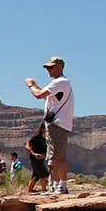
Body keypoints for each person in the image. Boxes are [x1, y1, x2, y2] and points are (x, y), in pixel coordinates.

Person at [25, 56, 74, 194]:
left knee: (59, 156)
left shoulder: (61, 82)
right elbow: (47, 96)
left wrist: (30, 85)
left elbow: (38, 95)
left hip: (58, 124)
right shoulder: (60, 84)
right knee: (54, 156)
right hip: (56, 124)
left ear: (60, 67)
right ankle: (57, 185)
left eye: (50, 67)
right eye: (47, 68)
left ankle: (62, 186)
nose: (48, 70)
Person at [25, 123, 50, 193]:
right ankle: (44, 190)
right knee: (44, 174)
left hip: (41, 159)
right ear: (42, 129)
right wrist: (34, 154)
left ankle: (30, 190)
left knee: (35, 175)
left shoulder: (45, 139)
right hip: (35, 159)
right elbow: (27, 145)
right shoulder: (36, 138)